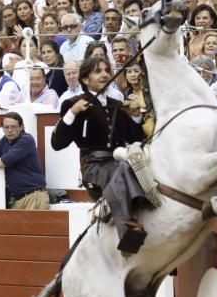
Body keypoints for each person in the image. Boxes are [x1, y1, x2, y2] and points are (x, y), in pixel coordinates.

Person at [51, 56, 149, 255]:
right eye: (98, 71)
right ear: (85, 79)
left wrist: (136, 114)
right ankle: (128, 233)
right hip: (93, 167)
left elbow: (135, 136)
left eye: (106, 70)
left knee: (137, 170)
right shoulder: (73, 103)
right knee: (122, 169)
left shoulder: (116, 103)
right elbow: (57, 143)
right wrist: (72, 113)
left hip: (118, 162)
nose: (105, 74)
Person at [0, 112, 49, 210]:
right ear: (3, 128)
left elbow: (2, 163)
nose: (10, 130)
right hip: (16, 200)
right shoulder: (4, 140)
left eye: (13, 127)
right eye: (6, 127)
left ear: (21, 127)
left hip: (33, 197)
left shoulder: (26, 139)